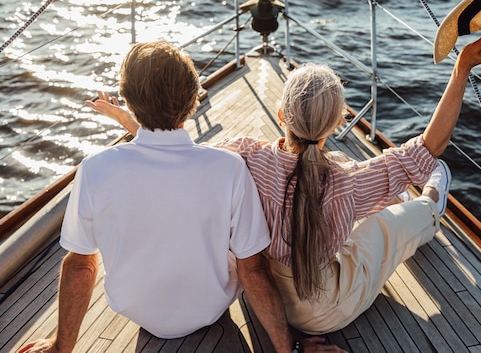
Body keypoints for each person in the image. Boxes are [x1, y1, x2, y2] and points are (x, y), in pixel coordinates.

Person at [70, 32, 481, 335]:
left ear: (280, 115)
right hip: (321, 310)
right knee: (391, 225)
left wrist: (131, 122)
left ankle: (414, 202)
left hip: (263, 302)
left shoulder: (243, 156)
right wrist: (461, 67)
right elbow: (429, 146)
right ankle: (431, 205)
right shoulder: (345, 181)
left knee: (375, 216)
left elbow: (177, 151)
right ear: (336, 123)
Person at [18, 41, 345, 353]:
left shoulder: (95, 169)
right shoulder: (228, 168)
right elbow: (254, 271)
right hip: (209, 309)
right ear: (192, 100)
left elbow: (80, 268)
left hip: (136, 308)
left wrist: (61, 347)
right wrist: (292, 348)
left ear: (129, 101)